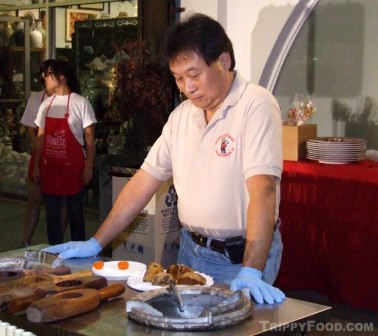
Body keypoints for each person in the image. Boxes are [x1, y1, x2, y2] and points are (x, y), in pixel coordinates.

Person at [43, 14, 285, 305]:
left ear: (224, 61)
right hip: (190, 252)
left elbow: (264, 191)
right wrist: (97, 241)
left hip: (238, 257)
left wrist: (251, 269)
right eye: (178, 78)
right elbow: (143, 182)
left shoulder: (255, 105)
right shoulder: (182, 116)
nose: (187, 87)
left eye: (194, 75)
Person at [33, 59, 96, 245]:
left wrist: (89, 166)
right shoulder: (46, 105)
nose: (45, 78)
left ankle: (79, 254)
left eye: (49, 74)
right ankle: (54, 253)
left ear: (61, 77)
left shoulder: (81, 103)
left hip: (74, 168)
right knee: (51, 215)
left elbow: (90, 139)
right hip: (50, 168)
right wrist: (36, 166)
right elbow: (40, 138)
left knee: (76, 213)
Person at [19, 58, 68, 247]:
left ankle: (57, 242)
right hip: (41, 155)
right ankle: (25, 241)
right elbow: (31, 128)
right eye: (44, 73)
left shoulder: (70, 98)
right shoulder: (36, 98)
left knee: (61, 200)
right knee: (35, 198)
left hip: (62, 155)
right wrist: (40, 149)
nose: (45, 77)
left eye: (49, 73)